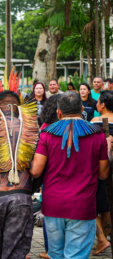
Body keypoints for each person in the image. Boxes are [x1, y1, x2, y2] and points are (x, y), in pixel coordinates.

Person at [30, 91, 110, 259]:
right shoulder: (98, 135)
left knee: (56, 254)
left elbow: (36, 170)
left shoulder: (47, 134)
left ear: (59, 112)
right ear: (82, 109)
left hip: (53, 205)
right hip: (83, 204)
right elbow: (103, 174)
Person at [0, 74, 39, 259]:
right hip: (21, 195)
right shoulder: (32, 128)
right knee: (15, 253)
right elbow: (39, 168)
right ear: (19, 106)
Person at [37, 95, 60, 259]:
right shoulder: (73, 128)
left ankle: (49, 249)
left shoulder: (45, 129)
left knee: (49, 213)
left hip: (50, 178)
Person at [90, 90, 113, 255]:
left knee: (91, 206)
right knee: (107, 206)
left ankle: (102, 240)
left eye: (98, 102)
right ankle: (103, 239)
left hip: (99, 169)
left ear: (102, 105)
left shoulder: (97, 121)